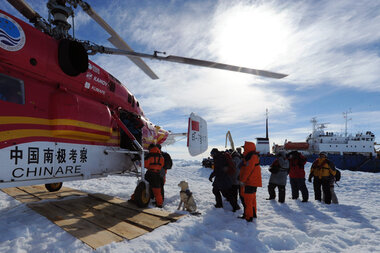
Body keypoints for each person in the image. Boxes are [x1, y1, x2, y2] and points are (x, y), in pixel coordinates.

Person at [239, 141, 262, 222]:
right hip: (253, 182)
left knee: (248, 200)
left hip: (250, 182)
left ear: (248, 148)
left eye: (244, 148)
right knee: (252, 199)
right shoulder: (252, 156)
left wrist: (242, 180)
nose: (243, 149)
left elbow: (248, 170)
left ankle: (248, 217)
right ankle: (253, 214)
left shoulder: (251, 157)